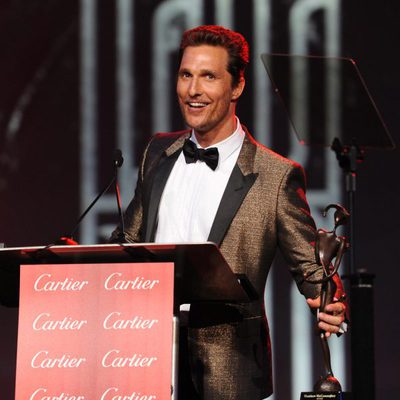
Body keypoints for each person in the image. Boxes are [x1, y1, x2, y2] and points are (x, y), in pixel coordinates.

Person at [110, 25, 346, 400]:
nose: (193, 90)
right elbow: (127, 242)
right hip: (148, 356)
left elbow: (311, 269)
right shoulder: (158, 152)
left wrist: (330, 299)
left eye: (208, 77)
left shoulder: (274, 176)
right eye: (186, 74)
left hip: (230, 368)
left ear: (237, 86)